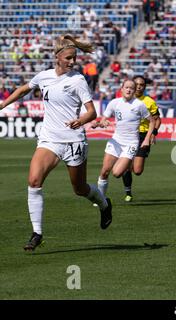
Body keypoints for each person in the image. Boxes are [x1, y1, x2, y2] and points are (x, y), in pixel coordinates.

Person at [0, 34, 112, 251]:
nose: (72, 62)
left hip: (74, 141)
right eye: (69, 58)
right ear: (57, 56)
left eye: (74, 58)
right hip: (49, 139)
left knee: (79, 189)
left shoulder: (77, 80)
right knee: (34, 181)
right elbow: (25, 89)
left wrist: (80, 120)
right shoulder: (44, 76)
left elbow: (92, 112)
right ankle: (37, 233)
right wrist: (3, 104)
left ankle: (105, 204)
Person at [93, 79, 156, 202]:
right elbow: (103, 120)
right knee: (105, 171)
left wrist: (147, 139)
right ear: (121, 89)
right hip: (116, 141)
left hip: (131, 143)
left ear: (134, 91)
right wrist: (101, 122)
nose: (129, 90)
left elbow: (152, 122)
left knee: (116, 173)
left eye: (131, 88)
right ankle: (101, 199)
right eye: (126, 87)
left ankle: (127, 163)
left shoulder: (139, 105)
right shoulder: (114, 103)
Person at [120, 76, 161, 202]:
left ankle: (130, 162)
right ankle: (128, 192)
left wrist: (154, 132)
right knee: (126, 166)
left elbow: (157, 119)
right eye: (136, 84)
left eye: (142, 84)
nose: (139, 86)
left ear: (144, 87)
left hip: (143, 136)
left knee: (137, 170)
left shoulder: (149, 101)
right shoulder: (124, 100)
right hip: (128, 135)